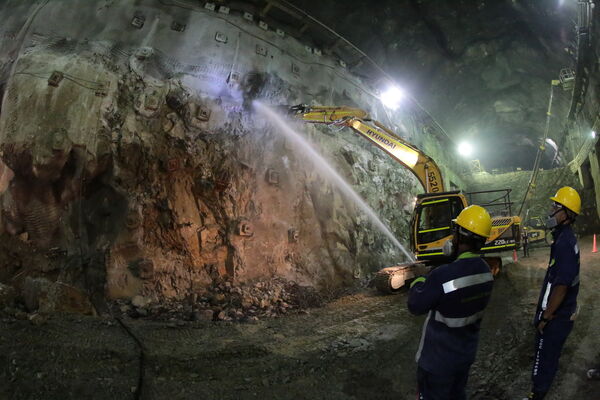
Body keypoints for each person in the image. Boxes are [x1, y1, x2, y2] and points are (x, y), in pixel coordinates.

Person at [408, 205, 494, 400]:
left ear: (461, 236)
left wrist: (419, 281)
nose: (452, 237)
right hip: (463, 358)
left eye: (455, 232)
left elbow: (415, 305)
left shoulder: (441, 275)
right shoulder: (486, 272)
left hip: (437, 363)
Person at [523, 186, 581, 400]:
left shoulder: (564, 243)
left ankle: (536, 396)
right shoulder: (563, 238)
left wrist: (546, 317)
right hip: (561, 312)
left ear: (567, 214)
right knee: (549, 357)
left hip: (557, 316)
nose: (550, 210)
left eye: (556, 207)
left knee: (544, 358)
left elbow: (562, 285)